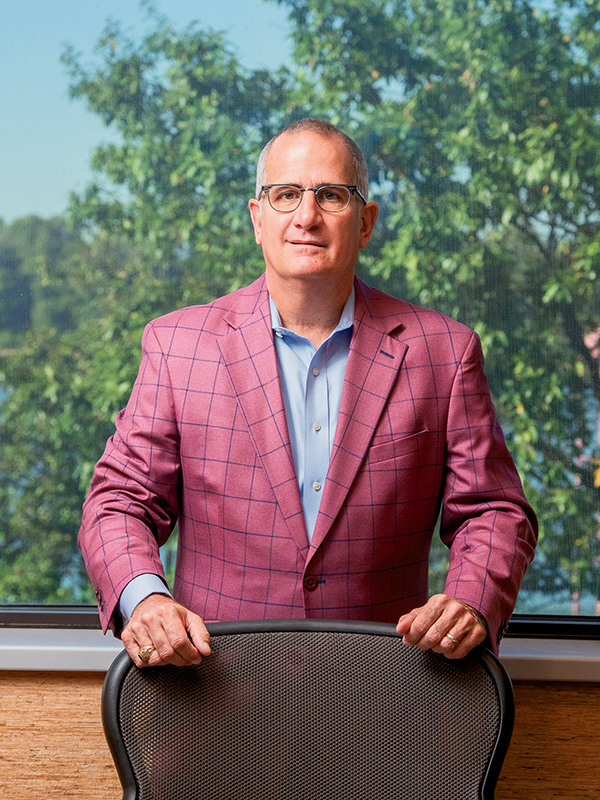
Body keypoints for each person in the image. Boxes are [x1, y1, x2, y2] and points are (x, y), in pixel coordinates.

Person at [78, 118, 537, 668]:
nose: (306, 216)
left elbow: (494, 510)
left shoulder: (444, 351)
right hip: (212, 689)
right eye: (286, 195)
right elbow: (119, 501)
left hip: (388, 689)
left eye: (331, 196)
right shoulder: (178, 346)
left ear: (365, 222)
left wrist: (471, 600)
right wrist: (146, 598)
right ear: (258, 218)